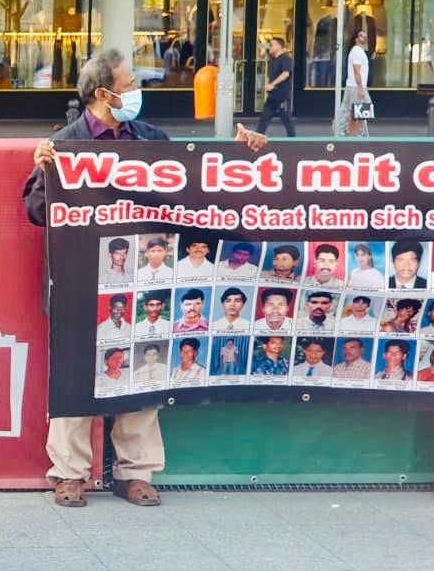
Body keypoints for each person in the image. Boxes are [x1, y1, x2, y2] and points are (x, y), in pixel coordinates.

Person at [26, 48, 269, 508]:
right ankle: (70, 474)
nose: (138, 91)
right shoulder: (64, 144)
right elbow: (37, 211)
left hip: (144, 281)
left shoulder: (151, 139)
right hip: (80, 283)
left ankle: (134, 473)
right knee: (75, 375)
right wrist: (45, 169)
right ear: (103, 94)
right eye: (130, 84)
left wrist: (242, 155)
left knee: (142, 372)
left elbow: (196, 188)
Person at [257, 35, 295, 137]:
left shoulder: (286, 59)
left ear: (279, 46)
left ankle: (293, 142)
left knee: (287, 120)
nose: (269, 47)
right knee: (263, 119)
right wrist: (266, 85)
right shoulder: (271, 60)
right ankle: (257, 139)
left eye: (271, 45)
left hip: (282, 96)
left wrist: (272, 84)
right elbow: (269, 76)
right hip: (272, 96)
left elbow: (286, 74)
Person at [344, 21, 371, 136]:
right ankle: (352, 134)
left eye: (364, 35)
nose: (363, 36)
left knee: (360, 110)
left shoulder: (360, 52)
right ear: (356, 39)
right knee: (357, 111)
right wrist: (360, 88)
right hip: (356, 86)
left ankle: (357, 133)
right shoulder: (356, 52)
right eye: (360, 35)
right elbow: (357, 72)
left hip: (359, 86)